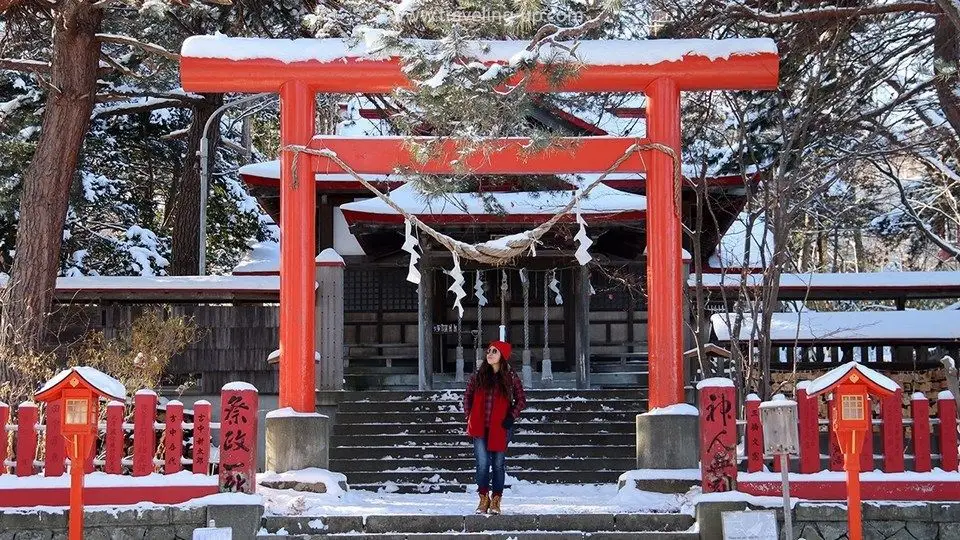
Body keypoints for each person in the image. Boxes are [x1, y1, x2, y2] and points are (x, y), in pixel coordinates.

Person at [463, 340, 527, 515]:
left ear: (502, 356)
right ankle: (483, 498)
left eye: (494, 351)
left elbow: (521, 399)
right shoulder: (478, 376)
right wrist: (469, 416)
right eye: (489, 351)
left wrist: (511, 417)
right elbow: (467, 396)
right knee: (482, 464)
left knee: (498, 464)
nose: (489, 354)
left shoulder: (510, 377)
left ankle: (496, 499)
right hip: (480, 426)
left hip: (500, 427)